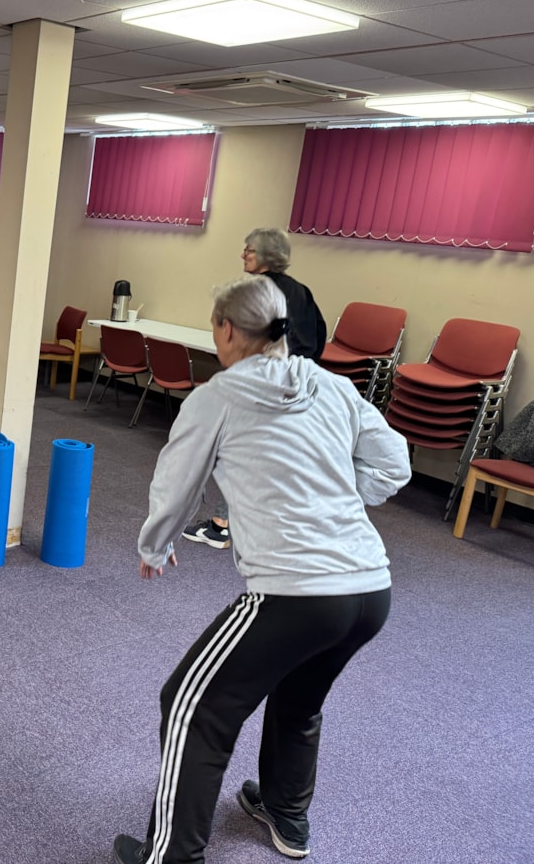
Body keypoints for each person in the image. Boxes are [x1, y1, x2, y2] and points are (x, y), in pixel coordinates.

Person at [113, 275, 409, 863]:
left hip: (297, 594)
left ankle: (172, 857)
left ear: (226, 330)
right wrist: (336, 498)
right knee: (300, 695)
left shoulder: (217, 397)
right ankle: (286, 815)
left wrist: (155, 545)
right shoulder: (333, 386)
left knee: (192, 705)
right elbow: (394, 463)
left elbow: (177, 483)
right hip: (370, 589)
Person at [182, 227, 326, 550]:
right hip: (298, 385)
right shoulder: (301, 291)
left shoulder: (255, 291)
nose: (243, 255)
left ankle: (220, 527)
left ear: (265, 256)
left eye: (248, 250)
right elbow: (318, 337)